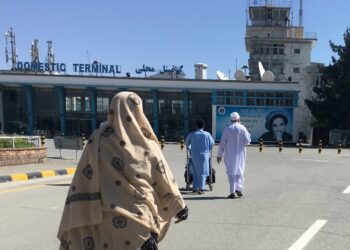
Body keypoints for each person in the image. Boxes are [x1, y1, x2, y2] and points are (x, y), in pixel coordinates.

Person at [57, 91, 188, 250]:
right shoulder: (145, 143)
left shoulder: (97, 139)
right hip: (139, 222)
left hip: (101, 217)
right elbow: (163, 176)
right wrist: (180, 206)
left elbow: (83, 176)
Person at [217, 112, 251, 199]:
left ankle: (232, 192)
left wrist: (219, 155)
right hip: (240, 154)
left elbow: (222, 144)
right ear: (238, 119)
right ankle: (239, 189)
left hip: (229, 155)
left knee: (231, 173)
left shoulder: (227, 129)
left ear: (231, 120)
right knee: (240, 172)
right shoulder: (243, 128)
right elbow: (247, 142)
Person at [185, 119, 214, 194]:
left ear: (196, 126)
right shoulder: (207, 134)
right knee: (203, 171)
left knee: (195, 171)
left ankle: (195, 187)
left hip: (194, 155)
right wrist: (208, 148)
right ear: (203, 126)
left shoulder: (192, 134)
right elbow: (212, 143)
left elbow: (187, 142)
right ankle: (201, 188)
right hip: (204, 155)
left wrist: (190, 148)